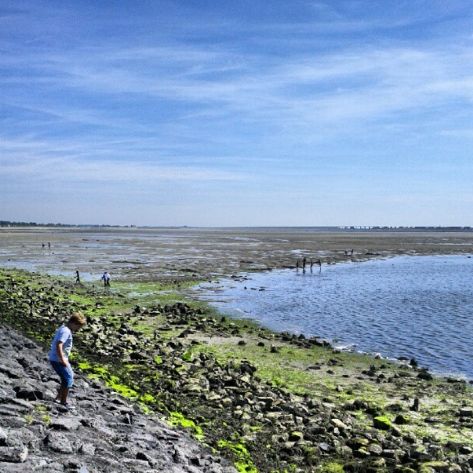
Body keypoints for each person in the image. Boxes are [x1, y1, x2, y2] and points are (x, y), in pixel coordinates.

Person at [48, 312, 87, 409]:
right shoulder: (66, 331)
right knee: (68, 379)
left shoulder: (63, 328)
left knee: (67, 378)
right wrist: (62, 359)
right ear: (74, 323)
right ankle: (63, 402)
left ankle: (58, 398)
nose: (78, 329)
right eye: (78, 327)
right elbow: (59, 344)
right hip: (58, 360)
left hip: (57, 358)